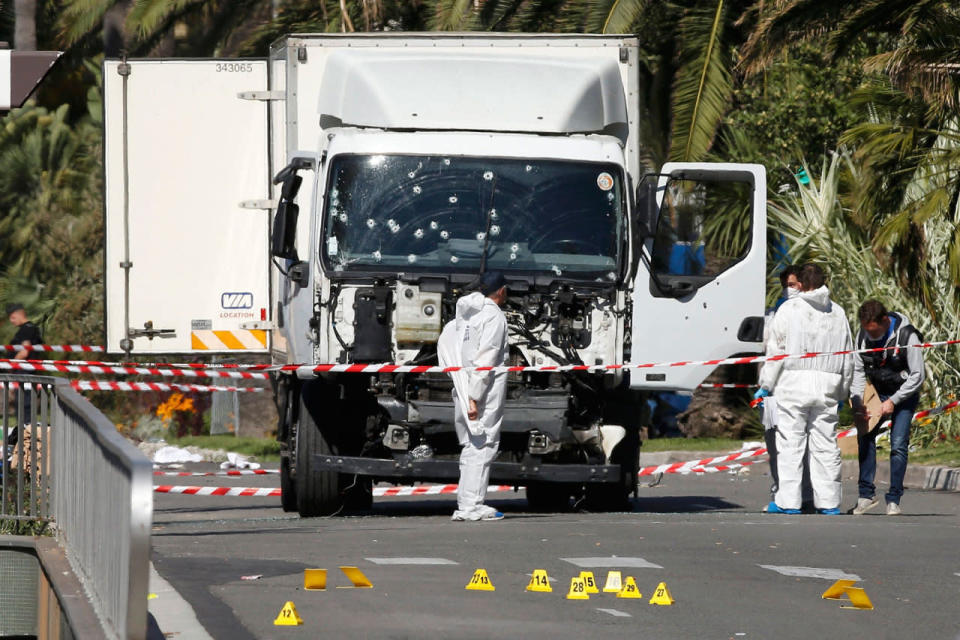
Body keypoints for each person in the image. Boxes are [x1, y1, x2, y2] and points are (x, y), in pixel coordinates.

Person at [757, 264, 853, 515]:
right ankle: (829, 502)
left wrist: (766, 385)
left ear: (800, 282)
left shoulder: (789, 309)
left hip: (794, 384)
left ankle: (789, 501)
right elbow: (847, 356)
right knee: (826, 445)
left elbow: (776, 352)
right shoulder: (838, 312)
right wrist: (842, 391)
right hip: (828, 385)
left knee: (791, 444)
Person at [437, 271, 509, 522]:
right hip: (483, 391)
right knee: (484, 443)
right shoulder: (494, 317)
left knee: (471, 445)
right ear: (501, 291)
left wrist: (466, 391)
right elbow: (487, 358)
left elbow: (447, 345)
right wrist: (474, 398)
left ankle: (467, 502)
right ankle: (471, 506)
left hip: (463, 384)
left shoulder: (465, 315)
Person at [850, 300, 924, 516]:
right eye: (867, 331)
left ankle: (894, 499)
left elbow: (917, 375)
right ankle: (865, 495)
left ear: (885, 321)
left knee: (898, 444)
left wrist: (893, 401)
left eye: (875, 332)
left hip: (904, 393)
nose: (871, 337)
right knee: (865, 436)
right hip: (877, 392)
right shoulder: (862, 336)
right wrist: (857, 401)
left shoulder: (907, 336)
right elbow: (857, 370)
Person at [759, 265, 802, 499]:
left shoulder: (807, 315)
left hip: (792, 386)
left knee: (795, 443)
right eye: (786, 286)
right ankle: (778, 488)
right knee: (773, 441)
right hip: (770, 390)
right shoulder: (772, 314)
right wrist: (764, 386)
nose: (789, 290)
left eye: (793, 285)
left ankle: (799, 494)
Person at [5, 303, 43, 443]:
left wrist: (11, 365)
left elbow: (24, 351)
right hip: (22, 372)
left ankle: (26, 438)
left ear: (18, 314)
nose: (11, 321)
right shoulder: (26, 329)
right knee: (21, 407)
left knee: (24, 407)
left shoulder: (27, 329)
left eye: (12, 317)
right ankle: (23, 436)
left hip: (24, 372)